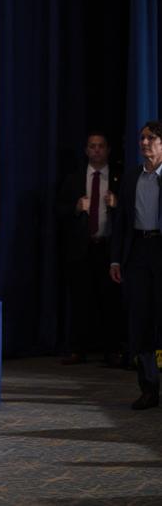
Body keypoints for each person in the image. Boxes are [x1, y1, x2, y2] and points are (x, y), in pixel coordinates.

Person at [56, 132, 122, 365]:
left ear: (108, 150)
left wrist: (117, 205)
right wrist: (75, 207)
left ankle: (113, 351)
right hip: (81, 249)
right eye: (92, 146)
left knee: (110, 303)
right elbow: (59, 211)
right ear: (86, 150)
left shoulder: (119, 178)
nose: (96, 150)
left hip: (108, 249)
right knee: (80, 301)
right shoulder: (74, 178)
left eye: (101, 146)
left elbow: (133, 212)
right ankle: (77, 350)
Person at [110, 121, 162, 410]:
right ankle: (149, 389)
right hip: (139, 252)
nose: (144, 143)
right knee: (140, 320)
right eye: (142, 138)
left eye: (151, 138)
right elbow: (121, 223)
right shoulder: (131, 178)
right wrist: (116, 258)